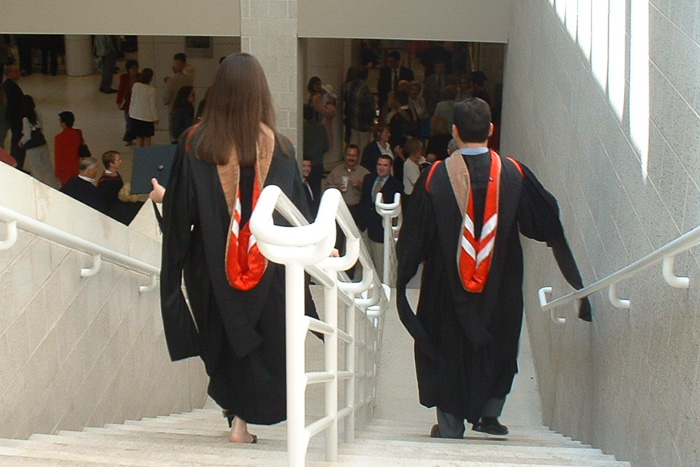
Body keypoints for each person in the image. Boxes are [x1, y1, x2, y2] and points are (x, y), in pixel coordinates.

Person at [396, 97, 591, 440]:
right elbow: (543, 218)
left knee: (447, 346)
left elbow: (414, 238)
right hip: (500, 281)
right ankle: (489, 414)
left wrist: (405, 268)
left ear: (454, 132)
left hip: (447, 284)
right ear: (490, 130)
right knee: (498, 342)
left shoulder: (434, 177)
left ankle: (451, 425)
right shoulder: (513, 173)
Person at [159, 53, 313, 444]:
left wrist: (173, 271)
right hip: (269, 269)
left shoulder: (196, 142)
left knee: (226, 340)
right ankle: (245, 423)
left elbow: (181, 216)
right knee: (261, 343)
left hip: (210, 269)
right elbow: (297, 213)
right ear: (261, 93)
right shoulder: (281, 148)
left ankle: (237, 423)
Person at [357, 154, 403, 281]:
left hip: (380, 230)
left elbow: (398, 210)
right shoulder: (368, 179)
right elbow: (363, 201)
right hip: (364, 226)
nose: (381, 168)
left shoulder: (396, 185)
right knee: (364, 264)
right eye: (379, 164)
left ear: (390, 167)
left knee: (380, 265)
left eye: (385, 165)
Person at [18, 95, 58, 187]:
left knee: (36, 170)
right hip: (42, 143)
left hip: (32, 148)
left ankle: (40, 187)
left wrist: (21, 142)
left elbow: (27, 135)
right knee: (48, 167)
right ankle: (55, 186)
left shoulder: (25, 119)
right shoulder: (37, 113)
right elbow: (41, 128)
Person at [323, 144, 368, 223]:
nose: (351, 158)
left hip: (357, 211)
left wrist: (360, 185)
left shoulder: (365, 173)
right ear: (344, 155)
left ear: (358, 157)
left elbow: (371, 193)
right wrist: (336, 187)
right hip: (339, 210)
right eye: (349, 155)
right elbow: (326, 189)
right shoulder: (336, 171)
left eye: (354, 156)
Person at [97, 150, 144, 225]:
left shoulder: (115, 174)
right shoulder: (105, 183)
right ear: (111, 164)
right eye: (118, 160)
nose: (121, 161)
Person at [342, 65, 375, 150]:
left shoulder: (348, 86)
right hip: (364, 124)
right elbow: (370, 109)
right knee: (363, 147)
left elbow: (345, 101)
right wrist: (371, 122)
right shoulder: (364, 90)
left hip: (352, 121)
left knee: (353, 144)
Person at [162, 53, 194, 134]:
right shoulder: (189, 80)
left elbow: (165, 99)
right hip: (187, 111)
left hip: (174, 110)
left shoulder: (172, 81)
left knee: (174, 135)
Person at [3, 64, 26, 169]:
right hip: (15, 119)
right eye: (15, 71)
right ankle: (17, 165)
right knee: (17, 142)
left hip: (14, 118)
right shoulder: (10, 86)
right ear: (9, 73)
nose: (18, 74)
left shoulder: (9, 85)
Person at [129, 68, 158, 147]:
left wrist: (130, 112)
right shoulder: (152, 90)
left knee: (138, 137)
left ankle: (139, 154)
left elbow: (132, 100)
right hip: (147, 117)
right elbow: (152, 106)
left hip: (135, 115)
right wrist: (155, 118)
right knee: (147, 137)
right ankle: (146, 155)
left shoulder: (136, 86)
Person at [54, 111, 84, 186]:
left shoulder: (59, 138)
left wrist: (57, 173)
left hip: (65, 169)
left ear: (63, 123)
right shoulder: (78, 133)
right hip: (76, 166)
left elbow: (58, 156)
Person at [116, 59, 140, 145]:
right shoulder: (124, 77)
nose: (135, 70)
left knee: (135, 121)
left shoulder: (139, 77)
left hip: (137, 102)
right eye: (133, 69)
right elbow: (120, 90)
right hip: (128, 102)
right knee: (129, 120)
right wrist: (119, 100)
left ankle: (133, 136)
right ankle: (129, 137)